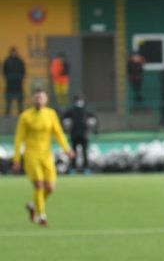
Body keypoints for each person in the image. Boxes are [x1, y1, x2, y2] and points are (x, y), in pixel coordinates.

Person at [12, 88, 74, 226]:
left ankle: (33, 205)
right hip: (31, 156)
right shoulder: (26, 116)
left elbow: (58, 132)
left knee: (50, 188)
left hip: (46, 155)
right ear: (32, 99)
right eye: (37, 97)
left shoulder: (51, 114)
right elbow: (19, 138)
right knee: (39, 186)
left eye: (42, 97)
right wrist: (16, 159)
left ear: (46, 100)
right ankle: (42, 216)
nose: (39, 100)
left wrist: (67, 149)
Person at [61, 94, 99, 174]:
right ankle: (73, 168)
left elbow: (94, 120)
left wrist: (94, 129)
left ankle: (86, 168)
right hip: (75, 134)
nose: (79, 102)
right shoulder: (71, 111)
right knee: (73, 153)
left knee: (84, 152)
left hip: (83, 135)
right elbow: (64, 120)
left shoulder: (86, 111)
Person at [4, 47, 27, 115]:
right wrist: (8, 78)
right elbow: (4, 71)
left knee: (20, 99)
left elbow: (23, 71)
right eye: (13, 52)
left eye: (15, 52)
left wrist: (20, 78)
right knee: (9, 99)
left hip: (18, 83)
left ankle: (21, 112)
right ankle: (7, 113)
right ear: (11, 52)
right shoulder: (7, 61)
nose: (14, 53)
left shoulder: (20, 61)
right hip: (10, 83)